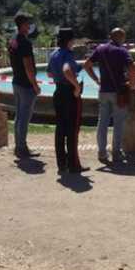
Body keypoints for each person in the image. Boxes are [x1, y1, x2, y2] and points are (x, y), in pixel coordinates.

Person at [83, 28, 135, 164]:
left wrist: (96, 79)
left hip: (103, 91)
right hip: (119, 92)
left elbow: (87, 65)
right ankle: (116, 153)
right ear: (121, 37)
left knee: (102, 123)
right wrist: (132, 84)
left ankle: (102, 152)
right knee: (118, 124)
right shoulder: (122, 51)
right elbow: (133, 67)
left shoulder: (100, 49)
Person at [48, 28, 88, 175]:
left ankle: (62, 164)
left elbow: (49, 73)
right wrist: (76, 87)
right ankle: (74, 165)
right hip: (69, 94)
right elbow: (66, 70)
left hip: (58, 92)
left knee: (60, 129)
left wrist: (78, 66)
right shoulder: (67, 54)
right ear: (70, 40)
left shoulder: (54, 54)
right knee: (72, 130)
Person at [8, 12, 41, 160]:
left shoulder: (13, 40)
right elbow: (28, 66)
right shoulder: (25, 43)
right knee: (24, 118)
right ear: (22, 25)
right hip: (26, 85)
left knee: (19, 117)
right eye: (28, 23)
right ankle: (22, 148)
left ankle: (18, 146)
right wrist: (35, 85)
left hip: (16, 82)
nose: (30, 26)